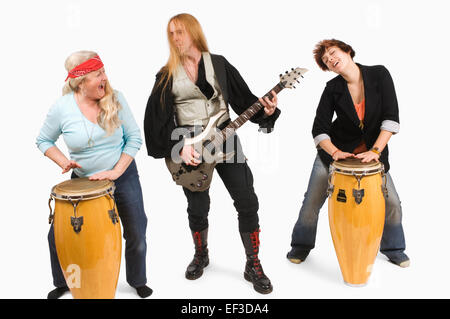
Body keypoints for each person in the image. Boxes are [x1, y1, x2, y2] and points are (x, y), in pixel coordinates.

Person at [143, 13, 280, 294]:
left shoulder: (218, 63)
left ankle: (253, 263)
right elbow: (155, 119)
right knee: (198, 207)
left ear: (193, 32)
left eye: (180, 32)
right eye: (171, 33)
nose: (175, 38)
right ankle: (201, 254)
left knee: (247, 200)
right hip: (190, 147)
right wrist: (179, 148)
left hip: (227, 141)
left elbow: (245, 100)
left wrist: (268, 110)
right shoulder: (166, 74)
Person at [36, 51, 153, 299]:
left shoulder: (116, 98)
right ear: (80, 81)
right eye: (97, 74)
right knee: (57, 235)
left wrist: (116, 171)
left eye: (104, 71)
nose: (105, 78)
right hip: (82, 182)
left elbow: (134, 138)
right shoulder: (62, 108)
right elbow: (44, 140)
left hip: (122, 174)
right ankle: (63, 282)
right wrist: (63, 161)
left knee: (136, 229)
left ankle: (137, 280)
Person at [287, 39, 409, 268]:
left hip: (373, 157)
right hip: (335, 156)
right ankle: (301, 246)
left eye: (333, 53)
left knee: (392, 203)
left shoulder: (379, 74)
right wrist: (334, 152)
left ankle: (394, 248)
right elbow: (319, 129)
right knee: (311, 202)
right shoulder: (332, 89)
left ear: (347, 51)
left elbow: (391, 117)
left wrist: (375, 151)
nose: (330, 59)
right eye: (325, 60)